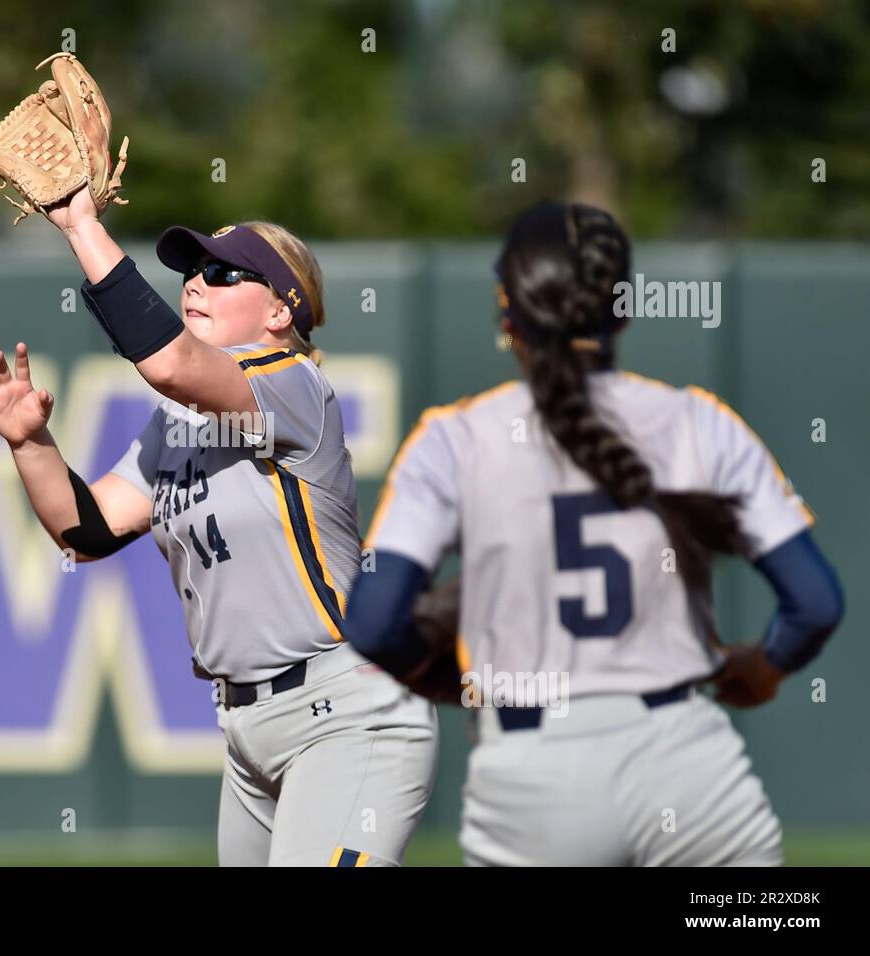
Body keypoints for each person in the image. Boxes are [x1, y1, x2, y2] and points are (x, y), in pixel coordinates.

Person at [346, 200, 843, 866]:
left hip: (531, 779)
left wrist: (430, 668)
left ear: (506, 312)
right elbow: (815, 603)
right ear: (625, 309)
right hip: (689, 765)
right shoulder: (699, 421)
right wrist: (765, 665)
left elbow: (374, 622)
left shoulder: (454, 439)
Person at [0, 186, 437, 866]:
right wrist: (30, 444)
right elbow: (87, 531)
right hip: (247, 730)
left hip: (349, 713)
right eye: (192, 270)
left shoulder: (295, 387)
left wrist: (81, 226)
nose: (196, 283)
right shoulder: (179, 426)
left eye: (222, 272)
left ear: (280, 310)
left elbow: (171, 364)